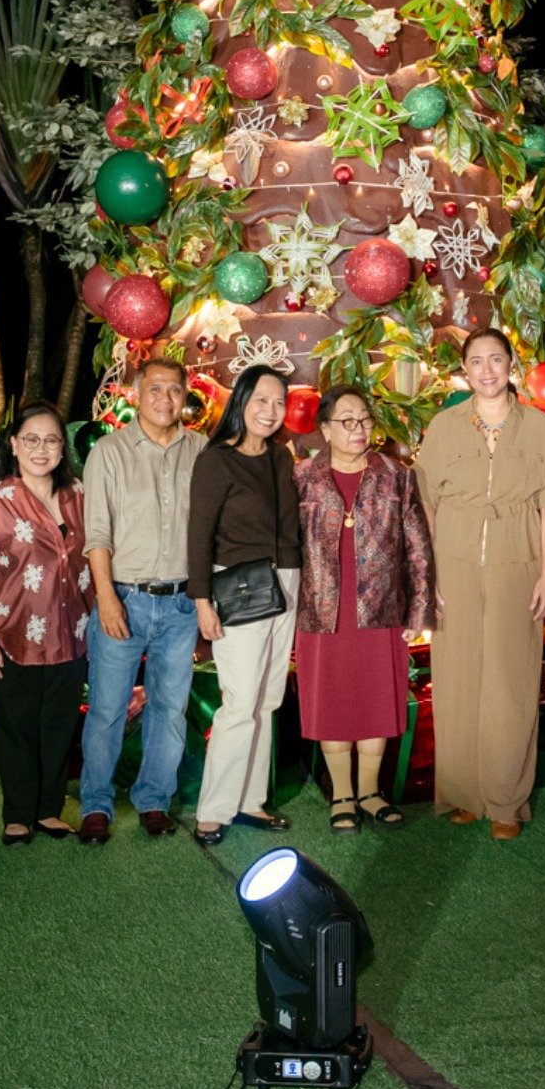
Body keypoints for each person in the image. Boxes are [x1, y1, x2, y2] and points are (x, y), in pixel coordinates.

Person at [415, 329, 545, 841]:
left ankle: (507, 801)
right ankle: (463, 793)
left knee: (511, 680)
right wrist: (431, 572)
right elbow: (426, 505)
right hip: (455, 566)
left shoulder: (539, 427)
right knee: (458, 679)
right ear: (464, 369)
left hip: (518, 563)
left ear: (511, 366)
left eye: (496, 359)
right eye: (476, 361)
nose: (486, 370)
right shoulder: (444, 426)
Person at [295, 384, 437, 833]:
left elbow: (418, 548)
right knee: (333, 701)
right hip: (322, 609)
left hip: (380, 607)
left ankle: (372, 792)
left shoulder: (396, 475)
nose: (359, 429)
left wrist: (419, 612)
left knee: (376, 698)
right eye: (347, 421)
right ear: (325, 430)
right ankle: (341, 795)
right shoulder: (301, 478)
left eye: (365, 420)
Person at [78, 357, 206, 843]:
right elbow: (97, 533)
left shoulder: (201, 450)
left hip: (180, 604)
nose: (164, 399)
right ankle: (96, 804)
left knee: (169, 709)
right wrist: (106, 597)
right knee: (108, 709)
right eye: (154, 389)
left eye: (174, 390)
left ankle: (154, 798)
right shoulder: (109, 452)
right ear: (136, 392)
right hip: (125, 598)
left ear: (184, 394)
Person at [0, 403, 89, 845]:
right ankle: (17, 813)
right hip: (12, 633)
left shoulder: (78, 496)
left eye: (51, 439)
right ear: (14, 445)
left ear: (62, 448)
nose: (41, 448)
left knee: (58, 725)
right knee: (15, 725)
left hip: (73, 634)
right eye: (31, 439)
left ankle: (48, 810)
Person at [188, 365, 301, 845]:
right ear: (241, 401)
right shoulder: (216, 460)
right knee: (239, 703)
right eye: (260, 400)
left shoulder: (280, 458)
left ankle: (250, 801)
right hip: (238, 586)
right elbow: (198, 534)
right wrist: (201, 600)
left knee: (267, 700)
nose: (269, 411)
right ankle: (212, 810)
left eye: (278, 402)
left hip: (287, 583)